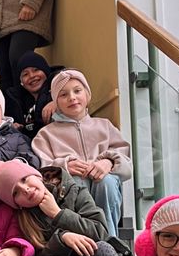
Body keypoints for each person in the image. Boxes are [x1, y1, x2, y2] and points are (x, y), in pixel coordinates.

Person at [0, 160, 131, 256]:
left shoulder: (73, 190)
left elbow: (100, 232)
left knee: (101, 248)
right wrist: (62, 238)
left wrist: (58, 214)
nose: (25, 189)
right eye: (16, 192)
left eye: (25, 179)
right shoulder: (25, 220)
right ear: (16, 204)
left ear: (37, 175)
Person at [32, 69, 132, 237]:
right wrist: (64, 166)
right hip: (72, 195)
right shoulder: (46, 134)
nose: (72, 97)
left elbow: (126, 161)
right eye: (63, 95)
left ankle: (110, 240)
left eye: (77, 91)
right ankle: (83, 239)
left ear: (87, 95)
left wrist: (108, 162)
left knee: (106, 181)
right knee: (76, 182)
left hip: (104, 189)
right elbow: (40, 168)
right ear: (55, 102)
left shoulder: (104, 126)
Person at [16, 51, 58, 138]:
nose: (31, 76)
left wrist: (59, 102)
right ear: (21, 82)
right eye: (25, 74)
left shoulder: (58, 91)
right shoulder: (18, 102)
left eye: (36, 70)